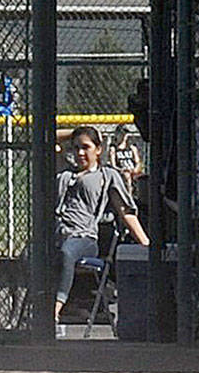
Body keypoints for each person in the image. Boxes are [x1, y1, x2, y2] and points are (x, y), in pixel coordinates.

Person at [54, 126, 148, 331]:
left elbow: (126, 213)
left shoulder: (106, 175)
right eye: (76, 148)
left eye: (86, 147)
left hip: (83, 237)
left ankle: (53, 313)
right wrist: (76, 133)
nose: (79, 153)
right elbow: (48, 136)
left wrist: (145, 244)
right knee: (33, 254)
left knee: (66, 252)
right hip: (57, 233)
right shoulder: (65, 171)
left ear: (98, 149)